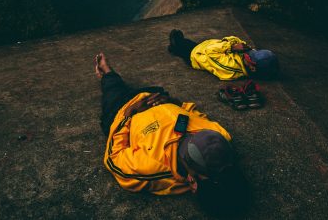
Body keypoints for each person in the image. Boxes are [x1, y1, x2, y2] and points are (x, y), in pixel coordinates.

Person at [96, 53, 249, 214]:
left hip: (121, 108)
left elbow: (114, 157)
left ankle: (105, 72)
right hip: (155, 96)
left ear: (192, 182)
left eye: (190, 142)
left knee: (112, 86)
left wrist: (130, 113)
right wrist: (173, 102)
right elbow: (193, 114)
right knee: (142, 87)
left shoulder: (152, 167)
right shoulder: (220, 137)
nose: (194, 133)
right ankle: (110, 77)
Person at [167, 29, 279, 81]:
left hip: (196, 56)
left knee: (182, 47)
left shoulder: (231, 68)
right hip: (203, 46)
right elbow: (232, 38)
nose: (250, 53)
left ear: (252, 68)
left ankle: (174, 47)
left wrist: (232, 47)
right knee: (187, 42)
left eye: (251, 56)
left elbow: (210, 52)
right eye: (255, 52)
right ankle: (177, 43)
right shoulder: (246, 59)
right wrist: (237, 44)